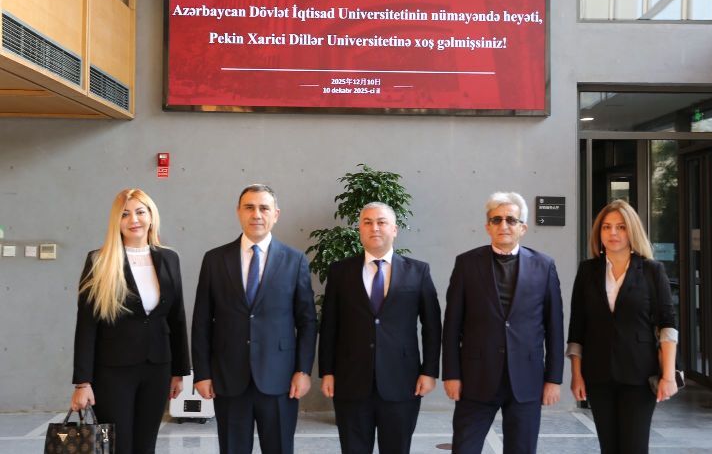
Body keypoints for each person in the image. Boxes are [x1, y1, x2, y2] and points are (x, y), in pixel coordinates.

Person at [192, 184, 317, 454]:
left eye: (264, 208)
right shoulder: (215, 260)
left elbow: (307, 321)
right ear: (238, 212)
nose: (256, 214)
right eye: (249, 207)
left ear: (276, 214)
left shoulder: (295, 260)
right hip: (229, 377)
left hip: (281, 378)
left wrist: (303, 370)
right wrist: (202, 373)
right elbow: (201, 321)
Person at [442, 192, 564, 454]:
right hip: (476, 378)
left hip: (527, 379)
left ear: (523, 227)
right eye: (496, 220)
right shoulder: (466, 264)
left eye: (511, 219)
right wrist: (451, 374)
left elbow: (554, 326)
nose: (503, 225)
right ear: (488, 226)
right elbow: (451, 325)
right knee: (464, 448)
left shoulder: (544, 266)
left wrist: (554, 379)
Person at [71, 188, 190, 454]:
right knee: (117, 446)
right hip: (112, 373)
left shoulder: (169, 258)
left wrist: (179, 372)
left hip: (157, 368)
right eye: (125, 214)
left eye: (140, 212)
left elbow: (177, 318)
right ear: (116, 221)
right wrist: (82, 382)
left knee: (146, 446)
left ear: (151, 216)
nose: (134, 220)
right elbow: (87, 326)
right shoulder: (99, 260)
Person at [318, 202, 442, 454]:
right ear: (360, 230)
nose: (374, 228)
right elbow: (329, 325)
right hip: (350, 382)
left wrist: (429, 371)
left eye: (381, 222)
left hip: (402, 382)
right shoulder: (340, 271)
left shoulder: (418, 271)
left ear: (394, 229)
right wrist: (327, 372)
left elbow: (432, 326)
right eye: (368, 222)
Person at [567, 199, 679, 454]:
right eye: (606, 227)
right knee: (609, 447)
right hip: (598, 374)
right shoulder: (587, 271)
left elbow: (667, 325)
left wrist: (669, 376)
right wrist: (576, 375)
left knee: (634, 447)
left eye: (621, 227)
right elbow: (577, 327)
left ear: (632, 231)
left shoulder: (652, 270)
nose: (613, 233)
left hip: (640, 375)